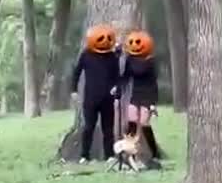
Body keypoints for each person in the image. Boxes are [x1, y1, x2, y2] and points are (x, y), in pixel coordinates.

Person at [70, 24, 122, 165]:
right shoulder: (86, 54)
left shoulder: (111, 57)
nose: (105, 41)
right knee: (89, 127)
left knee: (108, 128)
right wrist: (73, 90)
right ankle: (84, 156)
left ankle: (109, 155)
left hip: (107, 98)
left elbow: (117, 76)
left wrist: (117, 91)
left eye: (108, 38)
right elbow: (76, 72)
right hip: (91, 99)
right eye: (101, 38)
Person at [120, 30, 163, 167]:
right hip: (136, 94)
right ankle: (129, 153)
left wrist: (153, 103)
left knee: (144, 123)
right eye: (131, 42)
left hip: (148, 94)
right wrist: (118, 88)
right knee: (131, 121)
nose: (134, 45)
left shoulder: (151, 61)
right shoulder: (130, 60)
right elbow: (125, 78)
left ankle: (155, 153)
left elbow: (154, 82)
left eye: (137, 42)